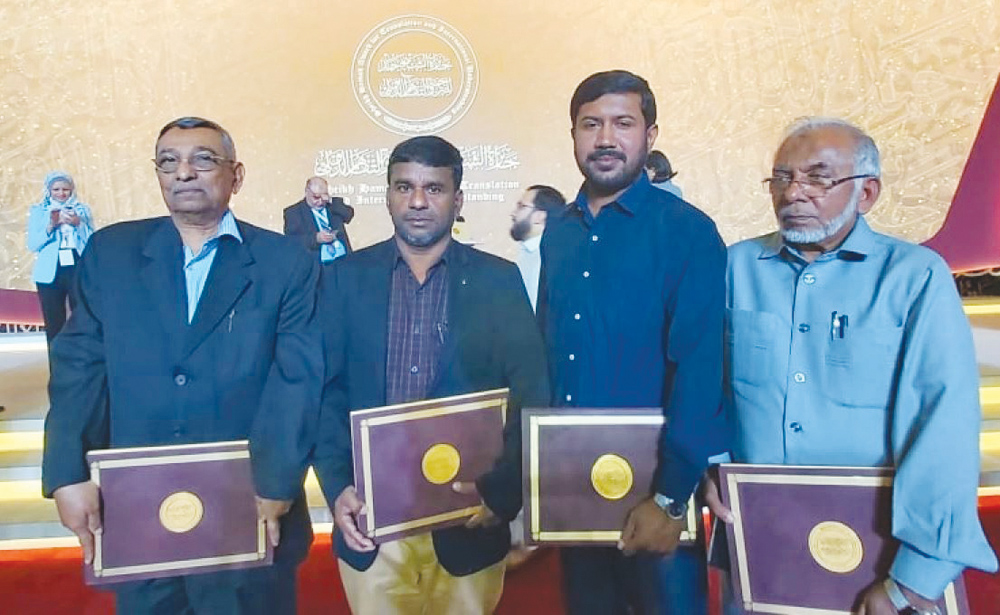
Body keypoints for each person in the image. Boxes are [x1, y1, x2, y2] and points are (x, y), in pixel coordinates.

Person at [706, 117, 999, 614]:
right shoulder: (735, 268)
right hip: (763, 550)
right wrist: (710, 462)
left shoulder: (913, 278)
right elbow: (704, 383)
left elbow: (943, 422)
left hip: (880, 557)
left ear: (866, 194)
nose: (793, 192)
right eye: (781, 177)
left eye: (818, 177)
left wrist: (913, 579)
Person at [41, 117, 323, 614]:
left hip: (250, 508)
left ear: (236, 176)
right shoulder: (112, 253)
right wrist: (67, 471)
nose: (184, 173)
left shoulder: (285, 262)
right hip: (136, 509)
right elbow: (78, 368)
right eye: (168, 162)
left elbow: (296, 379)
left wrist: (277, 481)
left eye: (202, 160)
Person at [313, 135, 550, 615]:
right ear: (387, 194)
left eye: (434, 189)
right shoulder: (343, 280)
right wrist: (337, 487)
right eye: (404, 187)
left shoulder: (497, 280)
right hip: (371, 525)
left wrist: (501, 496)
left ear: (457, 199)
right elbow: (324, 393)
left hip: (467, 522)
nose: (418, 201)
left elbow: (531, 394)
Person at [538, 69, 730, 614]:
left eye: (623, 123)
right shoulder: (560, 232)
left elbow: (699, 370)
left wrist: (670, 500)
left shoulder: (686, 231)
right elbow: (549, 353)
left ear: (650, 135)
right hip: (574, 491)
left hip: (657, 495)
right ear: (572, 134)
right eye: (590, 124)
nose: (605, 138)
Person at [26, 171, 95, 342]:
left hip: (77, 265)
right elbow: (33, 244)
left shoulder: (82, 210)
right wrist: (50, 226)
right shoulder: (39, 211)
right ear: (49, 190)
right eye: (56, 189)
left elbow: (91, 242)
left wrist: (78, 224)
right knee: (54, 322)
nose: (61, 193)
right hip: (50, 271)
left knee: (81, 317)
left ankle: (81, 361)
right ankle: (57, 364)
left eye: (66, 189)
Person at [509, 184, 566, 311]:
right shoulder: (527, 253)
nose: (513, 213)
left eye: (521, 207)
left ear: (540, 216)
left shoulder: (552, 259)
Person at [283, 176, 354, 263]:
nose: (320, 201)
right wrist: (316, 238)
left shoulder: (333, 206)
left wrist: (330, 200)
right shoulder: (293, 213)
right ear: (306, 192)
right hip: (315, 263)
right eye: (316, 197)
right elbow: (292, 242)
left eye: (324, 196)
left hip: (342, 260)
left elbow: (349, 215)